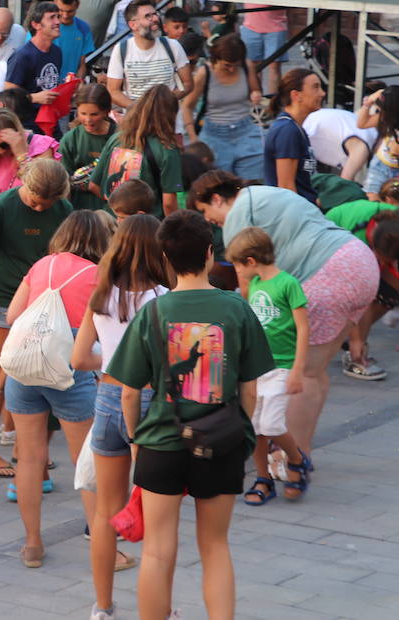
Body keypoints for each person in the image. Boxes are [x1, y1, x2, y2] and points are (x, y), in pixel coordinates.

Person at [105, 210, 271, 620]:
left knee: (158, 552)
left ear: (164, 257)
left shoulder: (153, 313)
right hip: (221, 441)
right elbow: (250, 389)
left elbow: (129, 392)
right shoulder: (236, 309)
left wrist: (136, 439)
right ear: (211, 254)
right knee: (215, 547)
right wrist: (241, 434)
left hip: (161, 441)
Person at [191, 170, 378, 457]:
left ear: (217, 198)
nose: (208, 220)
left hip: (328, 273)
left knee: (304, 373)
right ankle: (298, 451)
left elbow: (248, 289)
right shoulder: (267, 193)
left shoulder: (239, 213)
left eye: (205, 211)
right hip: (360, 262)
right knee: (316, 372)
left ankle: (294, 458)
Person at [71, 214, 172, 619]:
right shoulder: (163, 298)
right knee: (156, 516)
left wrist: (110, 361)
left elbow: (79, 359)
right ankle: (158, 608)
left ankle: (103, 607)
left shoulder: (101, 296)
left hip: (107, 398)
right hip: (147, 403)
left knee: (103, 513)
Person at [3, 211, 111, 568]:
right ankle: (102, 542)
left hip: (25, 369)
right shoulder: (97, 276)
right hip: (69, 371)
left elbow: (11, 316)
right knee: (87, 461)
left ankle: (32, 543)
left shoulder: (42, 264)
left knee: (30, 458)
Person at [0, 158, 72, 477]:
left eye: (47, 204)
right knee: (1, 374)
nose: (40, 209)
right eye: (34, 201)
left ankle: (20, 445)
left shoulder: (64, 209)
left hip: (43, 304)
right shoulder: (1, 206)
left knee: (33, 374)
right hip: (1, 298)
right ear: (24, 185)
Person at [225, 227, 311, 505]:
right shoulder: (256, 285)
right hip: (257, 368)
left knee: (271, 425)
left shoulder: (288, 284)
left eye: (238, 264)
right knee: (254, 427)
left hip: (282, 366)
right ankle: (263, 478)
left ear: (250, 261)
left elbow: (303, 328)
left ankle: (297, 460)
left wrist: (298, 369)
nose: (237, 270)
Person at [90, 85, 184, 218]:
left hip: (112, 221)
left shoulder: (117, 139)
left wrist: (117, 210)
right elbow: (169, 204)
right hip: (147, 227)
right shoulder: (167, 149)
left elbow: (94, 185)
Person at [183, 33, 264, 181]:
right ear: (215, 58)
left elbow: (255, 89)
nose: (232, 69)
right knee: (220, 185)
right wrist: (193, 137)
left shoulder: (246, 66)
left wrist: (256, 94)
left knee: (251, 183)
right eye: (227, 65)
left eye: (236, 65)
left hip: (245, 130)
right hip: (214, 135)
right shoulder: (205, 73)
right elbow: (187, 106)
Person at [105, 0, 192, 111]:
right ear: (133, 25)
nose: (155, 19)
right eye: (148, 16)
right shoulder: (122, 49)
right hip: (136, 122)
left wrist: (163, 103)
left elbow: (188, 84)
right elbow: (113, 90)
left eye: (155, 14)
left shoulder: (172, 46)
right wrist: (138, 109)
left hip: (167, 119)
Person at [263, 68, 324, 203]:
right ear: (296, 95)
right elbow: (286, 186)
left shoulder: (295, 128)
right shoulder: (287, 131)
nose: (322, 93)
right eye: (315, 88)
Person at [60, 82, 116, 211]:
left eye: (94, 114)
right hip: (81, 208)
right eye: (83, 114)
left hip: (112, 207)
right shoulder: (71, 140)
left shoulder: (119, 137)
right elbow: (64, 182)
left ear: (107, 111)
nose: (88, 120)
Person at [3, 3, 63, 106]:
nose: (58, 22)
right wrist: (33, 98)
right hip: (27, 120)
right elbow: (8, 96)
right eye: (52, 18)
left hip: (50, 118)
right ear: (36, 25)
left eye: (58, 17)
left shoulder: (57, 52)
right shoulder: (22, 56)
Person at [52, 0, 94, 78]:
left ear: (78, 4)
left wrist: (77, 83)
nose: (65, 16)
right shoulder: (45, 26)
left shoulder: (83, 28)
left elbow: (82, 64)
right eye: (61, 10)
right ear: (55, 1)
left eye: (70, 11)